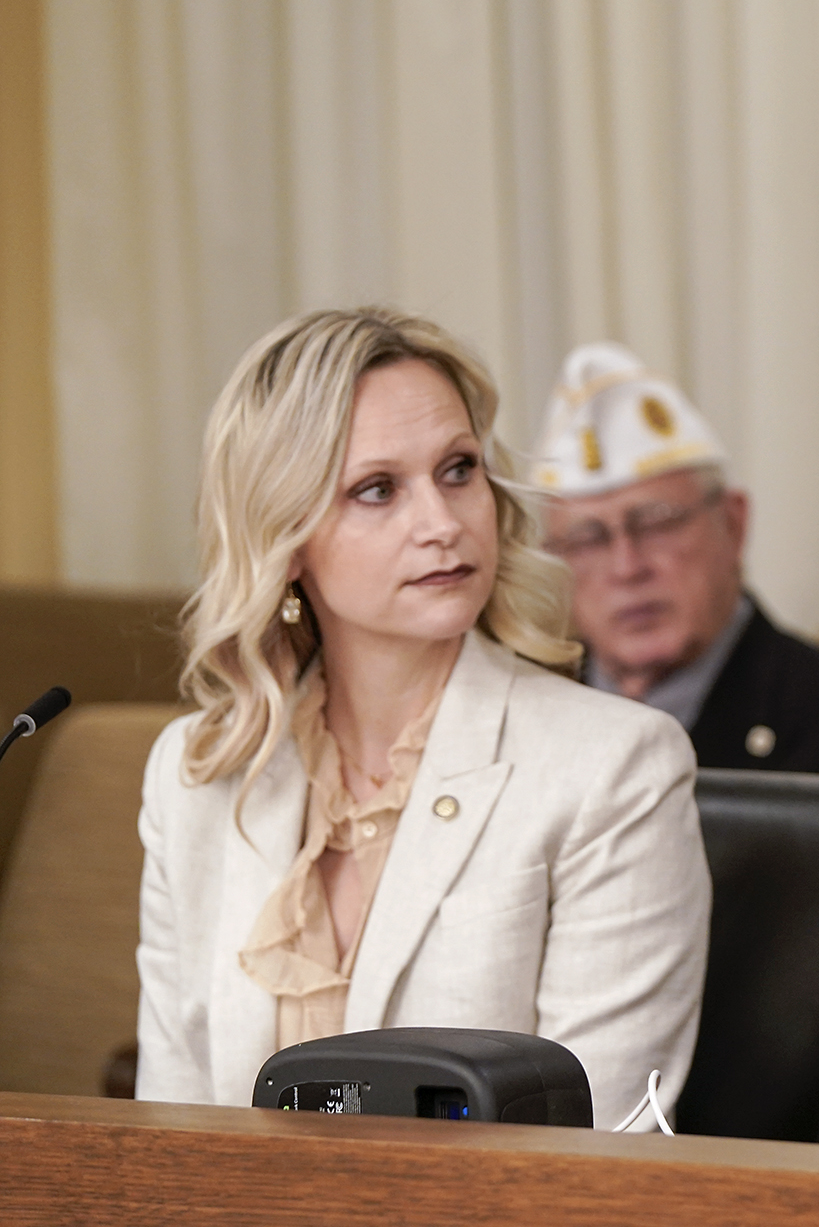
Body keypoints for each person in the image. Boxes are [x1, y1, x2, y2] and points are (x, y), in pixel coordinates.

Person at [135, 308, 712, 1130]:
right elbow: (169, 1135)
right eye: (377, 489)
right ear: (286, 537)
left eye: (458, 469)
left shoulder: (618, 765)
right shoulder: (192, 773)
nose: (442, 524)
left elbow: (599, 1152)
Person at [531, 343, 819, 784]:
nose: (627, 567)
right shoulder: (523, 719)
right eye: (586, 539)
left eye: (658, 524)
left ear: (733, 524)